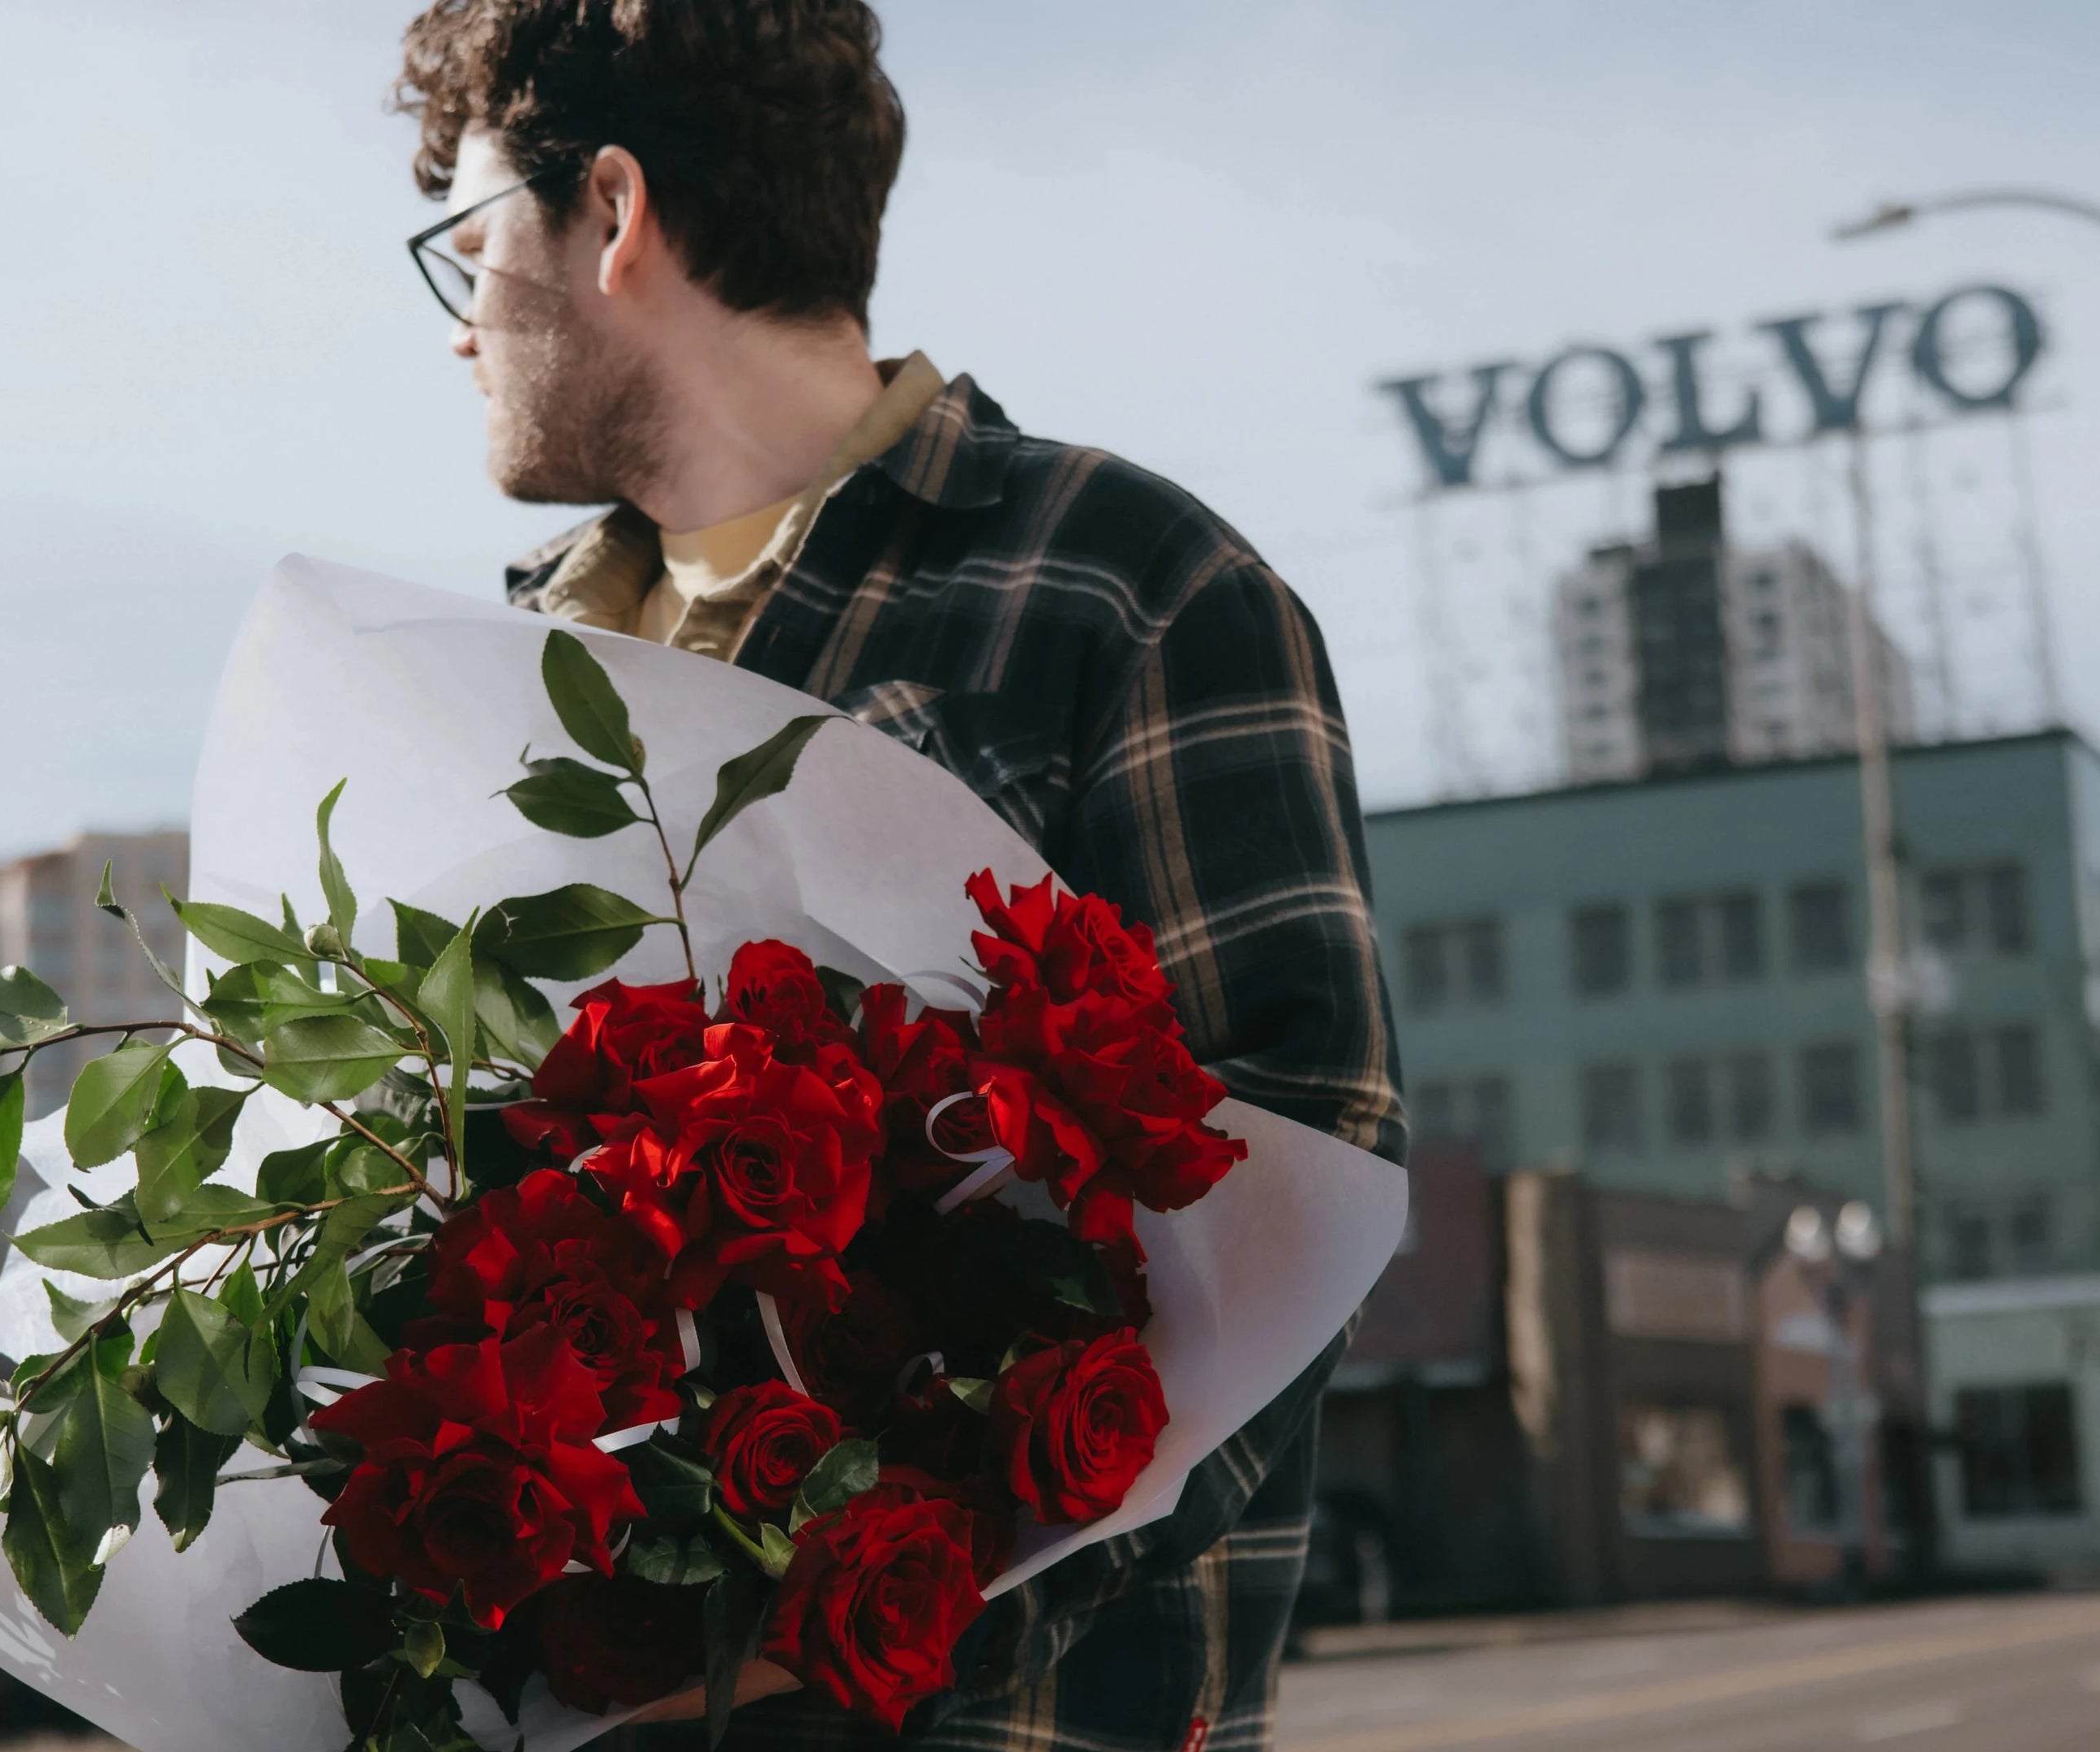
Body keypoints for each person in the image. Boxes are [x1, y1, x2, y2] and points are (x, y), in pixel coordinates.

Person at [392, 5, 1405, 1749]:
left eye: (470, 244)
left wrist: (873, 1620)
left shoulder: (1127, 592)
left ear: (613, 212)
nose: (457, 322)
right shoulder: (484, 691)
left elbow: (1288, 1216)